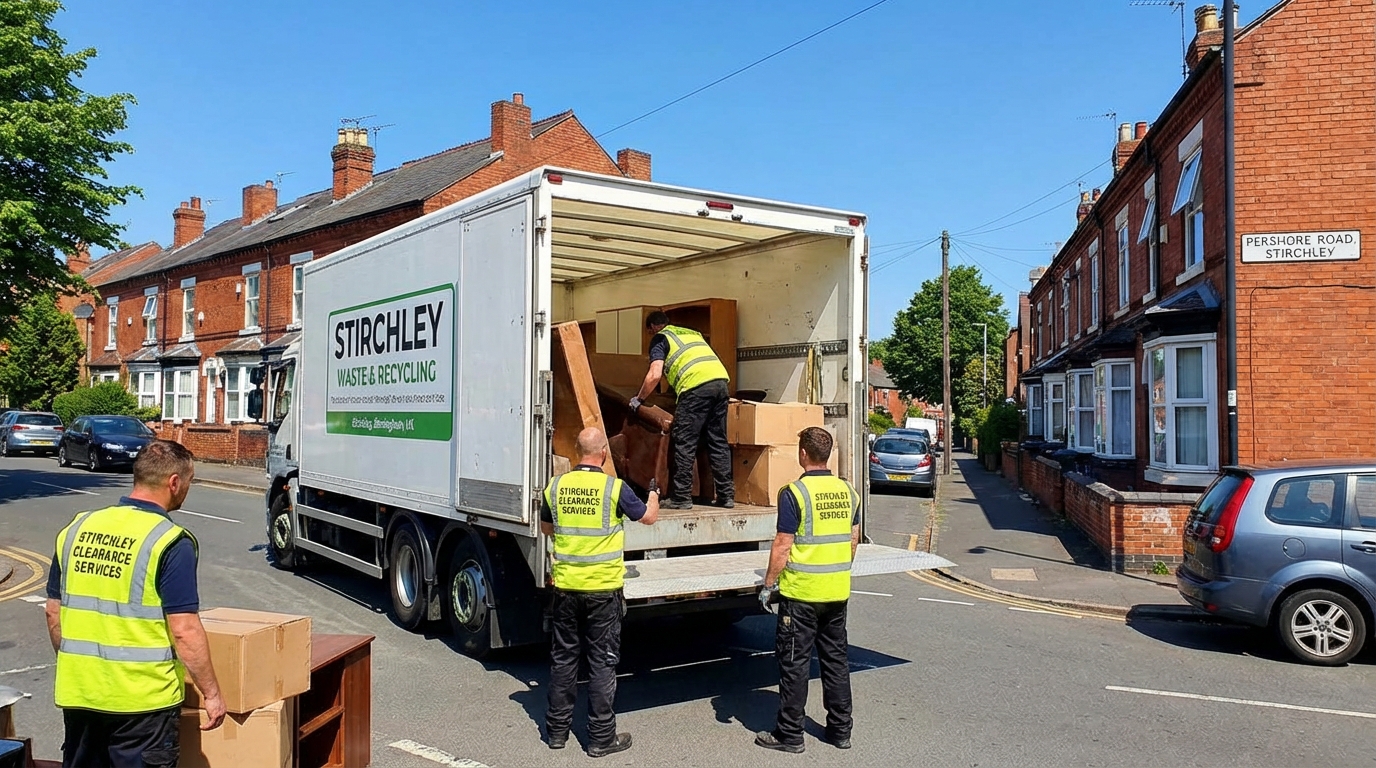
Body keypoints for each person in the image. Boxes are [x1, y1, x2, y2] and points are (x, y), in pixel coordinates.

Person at [45, 440, 225, 768]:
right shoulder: (170, 540)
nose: (187, 489)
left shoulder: (77, 528)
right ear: (174, 483)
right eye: (189, 482)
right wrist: (211, 694)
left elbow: (53, 611)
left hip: (81, 694)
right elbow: (184, 630)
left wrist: (82, 669)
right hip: (142, 706)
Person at [541, 427, 659, 758]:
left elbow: (547, 528)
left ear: (579, 452)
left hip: (565, 588)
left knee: (564, 660)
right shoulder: (613, 488)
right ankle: (600, 738)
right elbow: (648, 517)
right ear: (604, 453)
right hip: (603, 591)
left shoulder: (556, 487)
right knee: (602, 663)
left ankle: (556, 733)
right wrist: (653, 495)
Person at [755, 426, 860, 754]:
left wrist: (768, 584)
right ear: (826, 455)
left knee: (794, 663)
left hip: (801, 595)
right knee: (836, 661)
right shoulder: (849, 491)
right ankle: (840, 731)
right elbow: (853, 539)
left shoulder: (794, 493)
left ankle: (790, 735)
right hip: (836, 591)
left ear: (803, 454)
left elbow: (783, 545)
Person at [629, 310, 733, 510]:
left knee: (684, 441)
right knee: (718, 441)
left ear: (653, 328)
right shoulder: (692, 333)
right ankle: (726, 496)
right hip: (720, 383)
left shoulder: (661, 338)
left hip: (695, 387)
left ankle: (681, 498)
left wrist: (639, 399)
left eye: (649, 332)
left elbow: (654, 375)